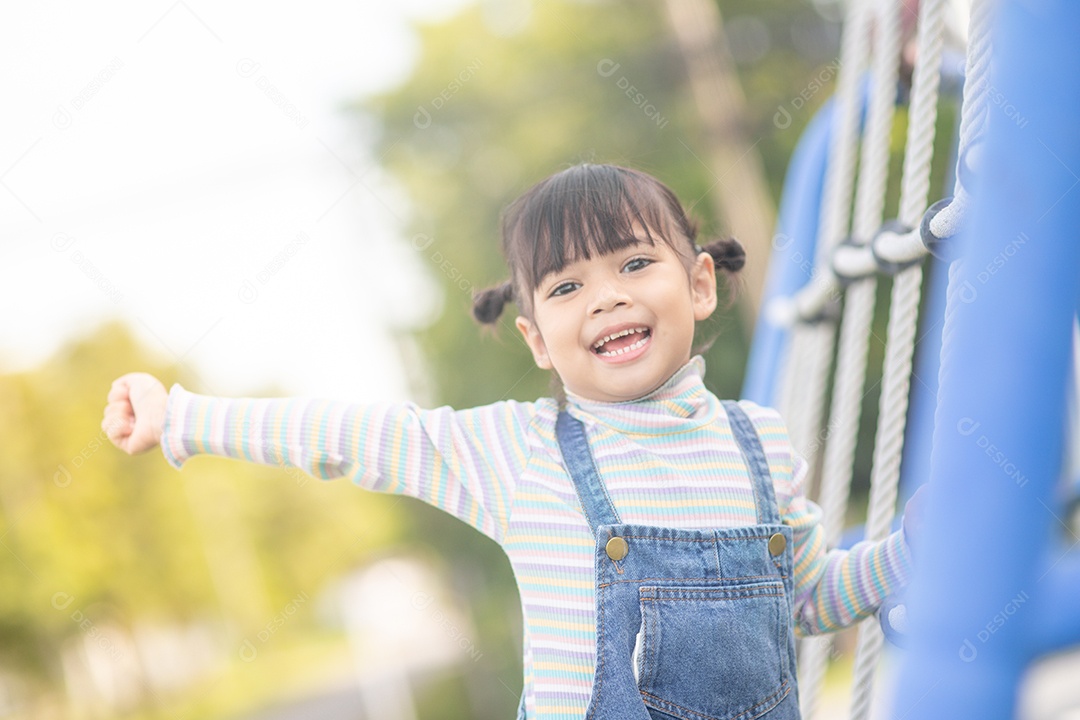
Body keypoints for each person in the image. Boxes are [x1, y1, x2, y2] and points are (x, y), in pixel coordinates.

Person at [104, 163, 920, 720]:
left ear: (700, 283)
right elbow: (352, 436)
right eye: (568, 286)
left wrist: (914, 549)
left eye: (635, 264)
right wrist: (184, 418)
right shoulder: (521, 452)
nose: (604, 298)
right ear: (536, 338)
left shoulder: (759, 443)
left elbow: (811, 598)